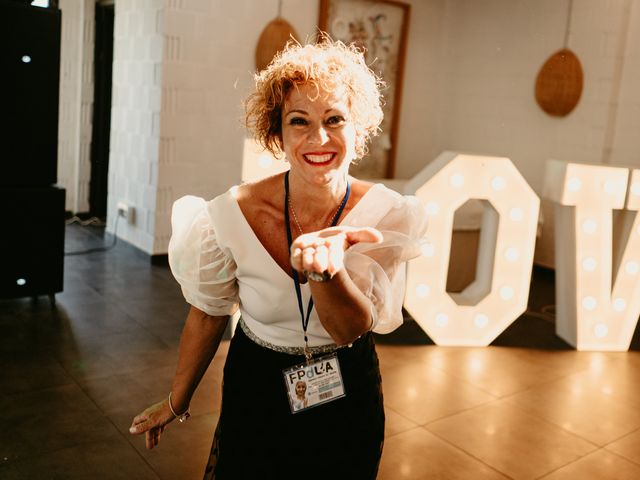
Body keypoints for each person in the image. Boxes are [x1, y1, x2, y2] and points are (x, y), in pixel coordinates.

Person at [129, 37, 427, 479]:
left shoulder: (387, 213)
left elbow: (351, 328)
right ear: (277, 132)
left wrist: (327, 274)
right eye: (299, 121)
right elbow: (208, 316)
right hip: (258, 381)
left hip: (347, 382)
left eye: (335, 119)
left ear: (357, 129)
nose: (319, 138)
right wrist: (177, 399)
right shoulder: (228, 216)